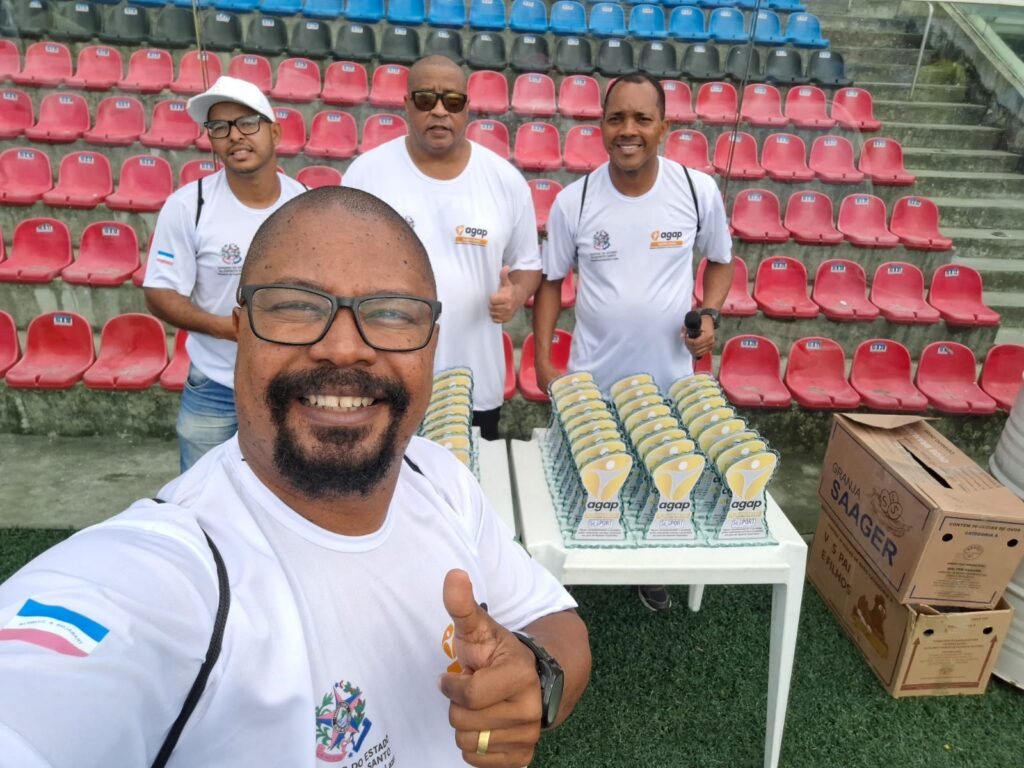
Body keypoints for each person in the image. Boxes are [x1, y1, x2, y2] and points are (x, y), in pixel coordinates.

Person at [0, 188, 591, 767]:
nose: (343, 348)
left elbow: (553, 619)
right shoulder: (167, 577)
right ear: (240, 329)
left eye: (390, 313)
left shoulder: (437, 475)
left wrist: (538, 676)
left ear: (432, 344)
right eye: (296, 306)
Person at [532, 74, 735, 612]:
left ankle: (651, 571)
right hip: (592, 384)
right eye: (616, 118)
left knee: (663, 484)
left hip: (670, 383)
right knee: (589, 488)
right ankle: (575, 577)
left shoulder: (697, 191)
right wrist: (544, 360)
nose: (628, 130)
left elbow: (721, 262)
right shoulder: (574, 201)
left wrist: (710, 314)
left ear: (664, 127)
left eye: (642, 119)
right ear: (601, 125)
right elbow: (550, 282)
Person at [344, 55, 541, 440]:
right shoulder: (367, 174)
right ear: (406, 104)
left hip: (474, 382)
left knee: (467, 477)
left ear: (467, 108)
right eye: (425, 99)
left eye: (452, 101)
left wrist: (516, 295)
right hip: (385, 379)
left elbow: (528, 264)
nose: (438, 111)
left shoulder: (504, 180)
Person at [144, 76, 307, 471]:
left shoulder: (304, 203)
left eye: (247, 123)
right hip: (215, 381)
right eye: (220, 127)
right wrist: (223, 328)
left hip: (288, 381)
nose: (235, 136)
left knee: (286, 487)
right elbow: (160, 293)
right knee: (201, 491)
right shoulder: (189, 206)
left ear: (275, 132)